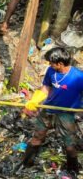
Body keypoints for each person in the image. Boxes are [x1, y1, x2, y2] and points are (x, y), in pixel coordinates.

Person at [20, 47, 83, 176]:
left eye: (51, 63)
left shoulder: (78, 77)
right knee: (37, 137)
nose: (49, 65)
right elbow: (46, 87)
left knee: (69, 144)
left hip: (66, 114)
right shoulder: (51, 71)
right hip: (48, 110)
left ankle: (73, 170)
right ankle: (26, 164)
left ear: (60, 64)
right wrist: (35, 100)